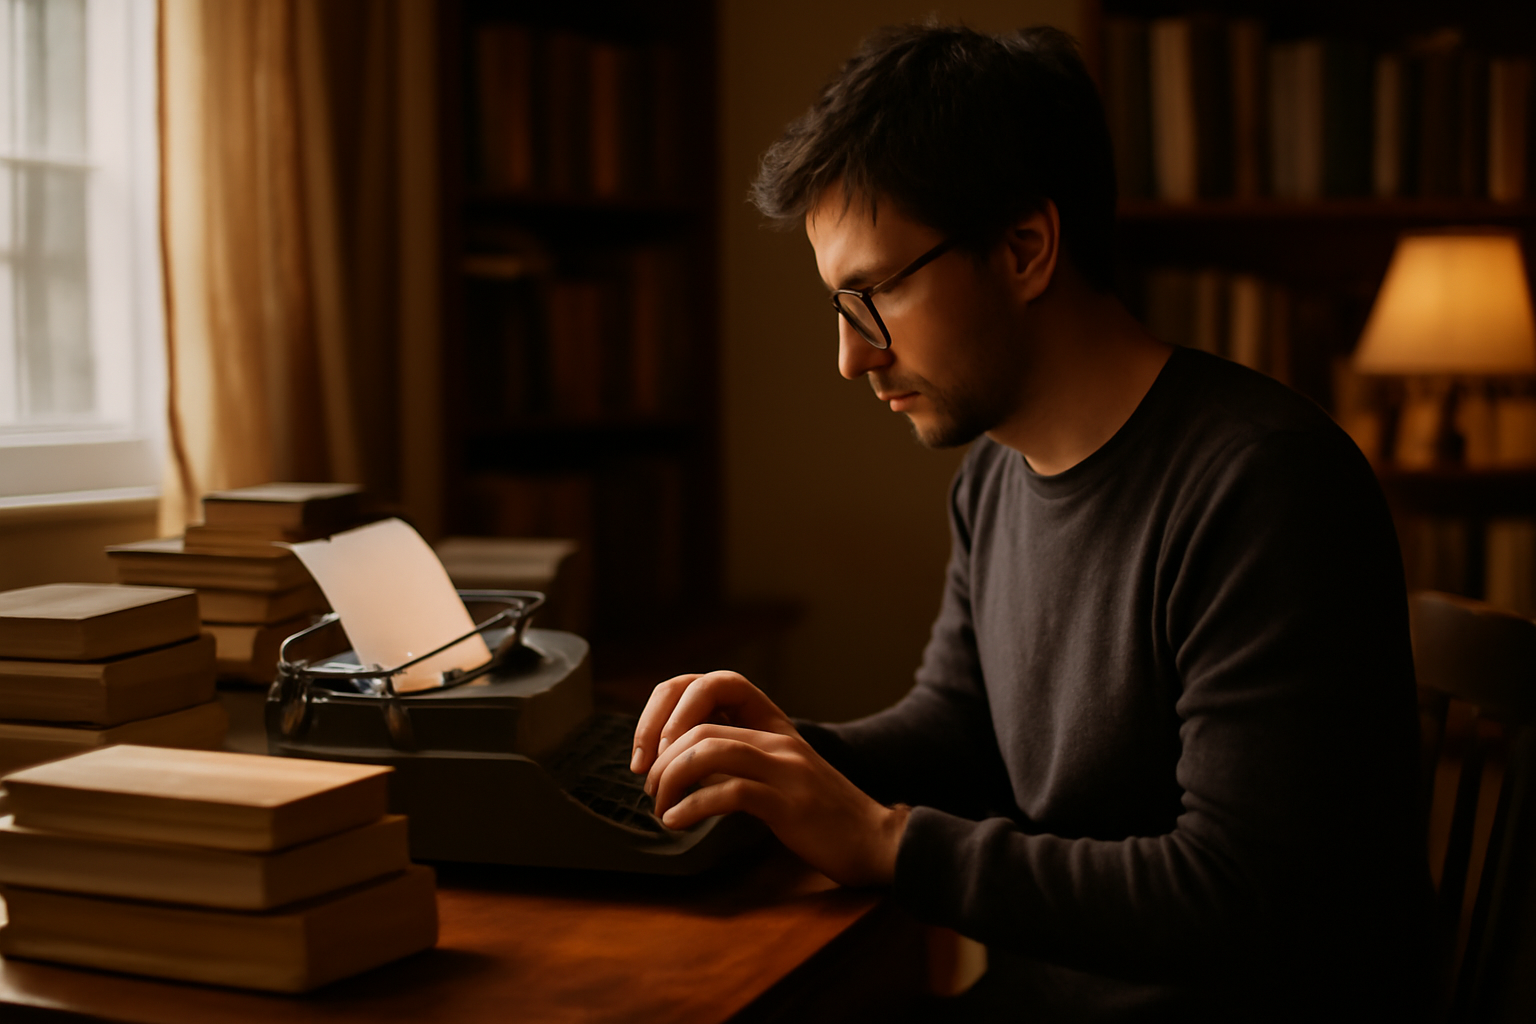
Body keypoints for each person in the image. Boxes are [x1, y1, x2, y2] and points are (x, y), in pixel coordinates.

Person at [629, 23, 1427, 1020]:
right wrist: (783, 754)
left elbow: (1237, 892)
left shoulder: (1264, 486)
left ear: (1025, 249)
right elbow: (960, 730)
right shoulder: (997, 479)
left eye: (872, 294)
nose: (851, 358)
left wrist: (885, 841)